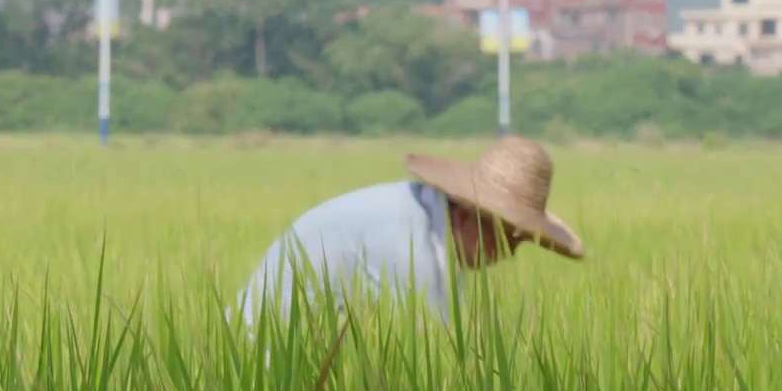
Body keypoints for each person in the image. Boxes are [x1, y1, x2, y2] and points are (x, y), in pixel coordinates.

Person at [232, 135, 584, 331]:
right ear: (468, 214)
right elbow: (437, 359)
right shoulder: (408, 243)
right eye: (507, 238)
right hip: (256, 362)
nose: (508, 255)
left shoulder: (434, 232)